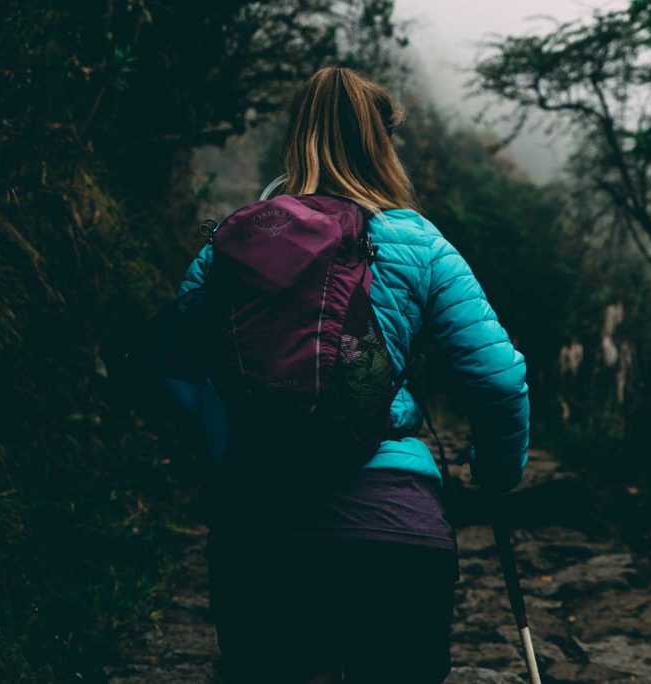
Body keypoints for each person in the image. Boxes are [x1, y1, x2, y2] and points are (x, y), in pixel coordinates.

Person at [175, 66, 530, 683]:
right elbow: (498, 379)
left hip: (261, 529)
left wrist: (224, 462)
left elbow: (176, 373)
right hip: (395, 531)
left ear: (296, 137)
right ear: (380, 143)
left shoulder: (230, 247)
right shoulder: (420, 243)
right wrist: (496, 473)